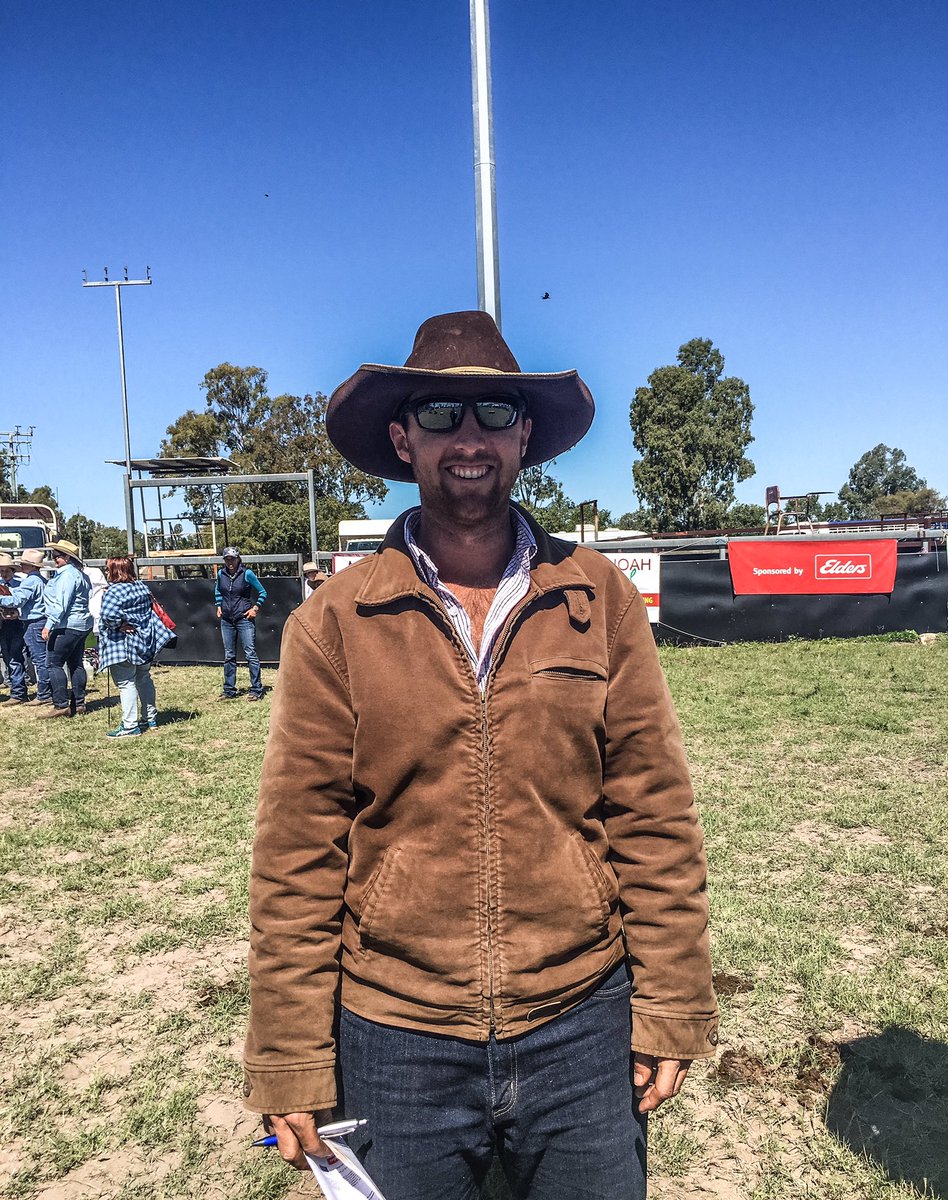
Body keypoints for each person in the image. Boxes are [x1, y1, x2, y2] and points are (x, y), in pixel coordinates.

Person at [243, 311, 719, 1199]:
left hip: (581, 1018)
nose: (469, 439)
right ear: (401, 436)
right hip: (395, 1035)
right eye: (438, 414)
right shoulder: (335, 622)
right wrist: (288, 1054)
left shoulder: (597, 595)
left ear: (526, 435)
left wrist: (671, 1000)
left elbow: (653, 810)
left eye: (495, 414)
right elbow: (298, 851)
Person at [97, 555, 174, 738]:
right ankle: (150, 718)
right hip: (143, 640)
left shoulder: (113, 592)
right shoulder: (141, 587)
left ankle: (130, 726)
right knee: (143, 678)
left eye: (108, 569)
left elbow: (108, 616)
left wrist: (119, 625)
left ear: (116, 571)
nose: (106, 572)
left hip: (121, 644)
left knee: (126, 683)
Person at [40, 538, 93, 719]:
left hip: (66, 625)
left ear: (68, 558)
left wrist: (49, 625)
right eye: (54, 555)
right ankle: (79, 703)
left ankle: (61, 704)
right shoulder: (80, 575)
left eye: (59, 555)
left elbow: (61, 604)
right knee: (75, 663)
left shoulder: (66, 575)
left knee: (53, 663)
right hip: (81, 625)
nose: (55, 558)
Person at [215, 547, 267, 701]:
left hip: (244, 619)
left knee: (250, 653)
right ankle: (229, 690)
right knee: (229, 655)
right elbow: (218, 590)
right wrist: (218, 605)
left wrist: (255, 608)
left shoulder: (247, 574)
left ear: (238, 559)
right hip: (226, 620)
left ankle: (256, 689)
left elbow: (263, 592)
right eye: (227, 559)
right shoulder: (220, 574)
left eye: (232, 558)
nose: (230, 562)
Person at [0, 548, 50, 706]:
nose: (4, 574)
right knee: (27, 657)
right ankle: (31, 691)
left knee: (35, 658)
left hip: (24, 622)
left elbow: (18, 601)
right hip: (17, 622)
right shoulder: (38, 581)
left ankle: (40, 693)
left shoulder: (27, 582)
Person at [0, 553, 28, 706]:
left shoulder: (20, 584)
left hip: (15, 623)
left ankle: (18, 691)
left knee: (14, 656)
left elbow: (24, 603)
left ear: (13, 571)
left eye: (6, 571)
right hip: (3, 624)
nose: (4, 574)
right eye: (1, 571)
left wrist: (17, 613)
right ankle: (15, 687)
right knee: (7, 656)